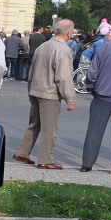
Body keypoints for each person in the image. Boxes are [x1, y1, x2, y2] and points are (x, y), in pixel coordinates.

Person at [13, 19, 77, 169]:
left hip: (37, 90)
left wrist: (30, 90)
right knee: (49, 128)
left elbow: (32, 71)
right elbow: (63, 77)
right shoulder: (63, 49)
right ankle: (46, 160)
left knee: (34, 124)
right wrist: (70, 98)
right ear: (69, 33)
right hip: (50, 93)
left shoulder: (43, 46)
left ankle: (22, 152)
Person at [79, 17, 111, 175]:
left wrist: (91, 88)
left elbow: (92, 72)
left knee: (95, 130)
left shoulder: (105, 47)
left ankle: (87, 164)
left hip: (103, 94)